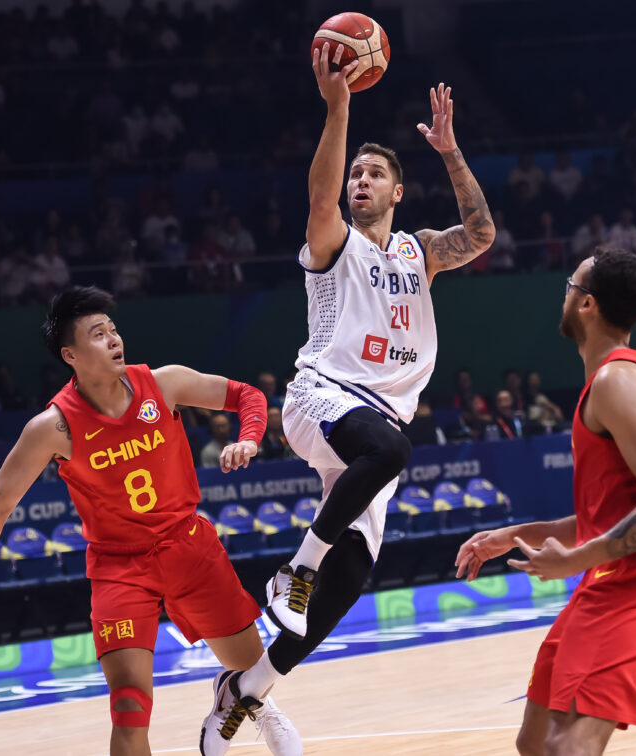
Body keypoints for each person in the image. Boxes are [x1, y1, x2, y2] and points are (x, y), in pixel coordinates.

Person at [200, 45, 495, 747]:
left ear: (398, 193)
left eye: (375, 174)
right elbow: (319, 197)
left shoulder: (420, 251)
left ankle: (245, 689)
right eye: (356, 173)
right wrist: (338, 109)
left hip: (374, 430)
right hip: (321, 399)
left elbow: (482, 235)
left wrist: (450, 153)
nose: (361, 181)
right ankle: (295, 570)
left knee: (349, 583)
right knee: (390, 451)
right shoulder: (334, 242)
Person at [0, 287, 300, 756]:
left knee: (256, 672)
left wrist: (249, 439)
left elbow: (247, 395)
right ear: (70, 355)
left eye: (113, 329)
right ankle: (246, 698)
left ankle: (246, 700)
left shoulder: (163, 384)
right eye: (97, 334)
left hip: (189, 548)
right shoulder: (53, 427)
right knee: (129, 704)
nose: (113, 339)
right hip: (120, 568)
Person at [455, 248, 636, 755]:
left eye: (570, 285)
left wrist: (577, 559)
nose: (562, 293)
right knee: (536, 741)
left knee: (569, 746)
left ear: (587, 304)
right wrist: (512, 536)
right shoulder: (605, 380)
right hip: (607, 578)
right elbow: (603, 517)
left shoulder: (618, 381)